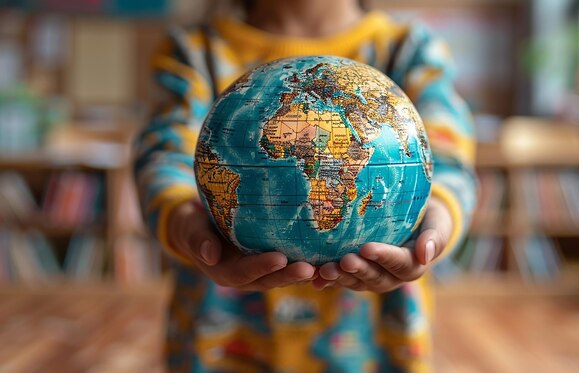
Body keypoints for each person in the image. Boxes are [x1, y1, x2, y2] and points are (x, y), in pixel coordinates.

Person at [134, 0, 477, 371]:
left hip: (371, 341)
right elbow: (164, 159)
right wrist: (187, 228)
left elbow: (447, 161)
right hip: (225, 337)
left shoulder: (410, 49)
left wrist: (435, 227)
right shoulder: (195, 50)